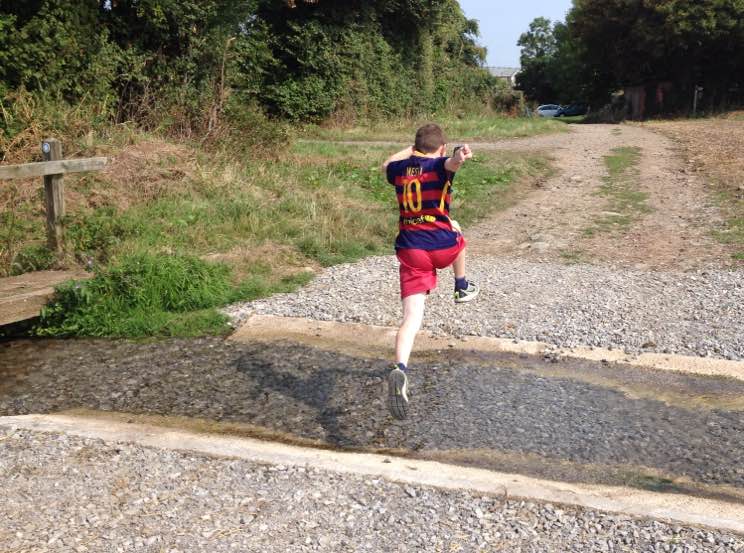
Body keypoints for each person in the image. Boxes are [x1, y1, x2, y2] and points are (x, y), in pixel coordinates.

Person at [382, 123, 479, 420]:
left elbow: (385, 163)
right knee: (458, 233)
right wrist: (459, 156)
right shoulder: (440, 165)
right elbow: (452, 162)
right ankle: (461, 285)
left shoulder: (399, 169)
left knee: (411, 318)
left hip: (411, 251)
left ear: (414, 148)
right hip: (441, 247)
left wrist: (410, 150)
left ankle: (400, 368)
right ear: (440, 148)